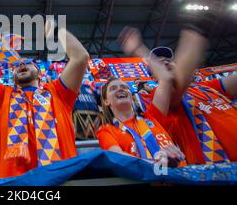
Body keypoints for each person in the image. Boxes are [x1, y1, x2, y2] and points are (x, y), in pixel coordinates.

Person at [0, 23, 89, 178]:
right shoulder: (1, 97)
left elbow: (80, 57)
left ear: (39, 74)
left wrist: (57, 31)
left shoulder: (58, 92)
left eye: (28, 62)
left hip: (61, 182)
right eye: (17, 65)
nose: (22, 64)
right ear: (13, 77)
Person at [119, 27, 237, 164]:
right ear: (154, 75)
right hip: (219, 172)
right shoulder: (160, 98)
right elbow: (171, 80)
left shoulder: (207, 87)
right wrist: (139, 49)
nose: (165, 62)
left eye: (168, 60)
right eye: (159, 62)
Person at [96, 76, 185, 167]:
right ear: (106, 101)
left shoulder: (151, 116)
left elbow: (166, 81)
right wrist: (158, 164)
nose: (120, 89)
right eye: (113, 88)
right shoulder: (106, 131)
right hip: (151, 180)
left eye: (124, 87)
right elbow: (118, 157)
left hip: (183, 176)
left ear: (131, 96)